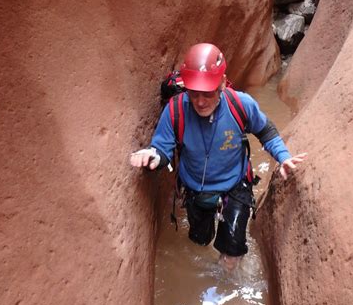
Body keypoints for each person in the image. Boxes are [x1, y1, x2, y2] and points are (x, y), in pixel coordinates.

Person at [130, 43, 306, 270]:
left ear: (222, 84)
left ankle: (224, 283)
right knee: (199, 241)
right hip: (195, 189)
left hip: (234, 185)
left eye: (208, 93)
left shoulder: (241, 105)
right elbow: (162, 148)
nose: (200, 101)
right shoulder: (175, 110)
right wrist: (152, 156)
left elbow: (266, 133)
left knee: (232, 251)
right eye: (194, 93)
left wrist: (283, 156)